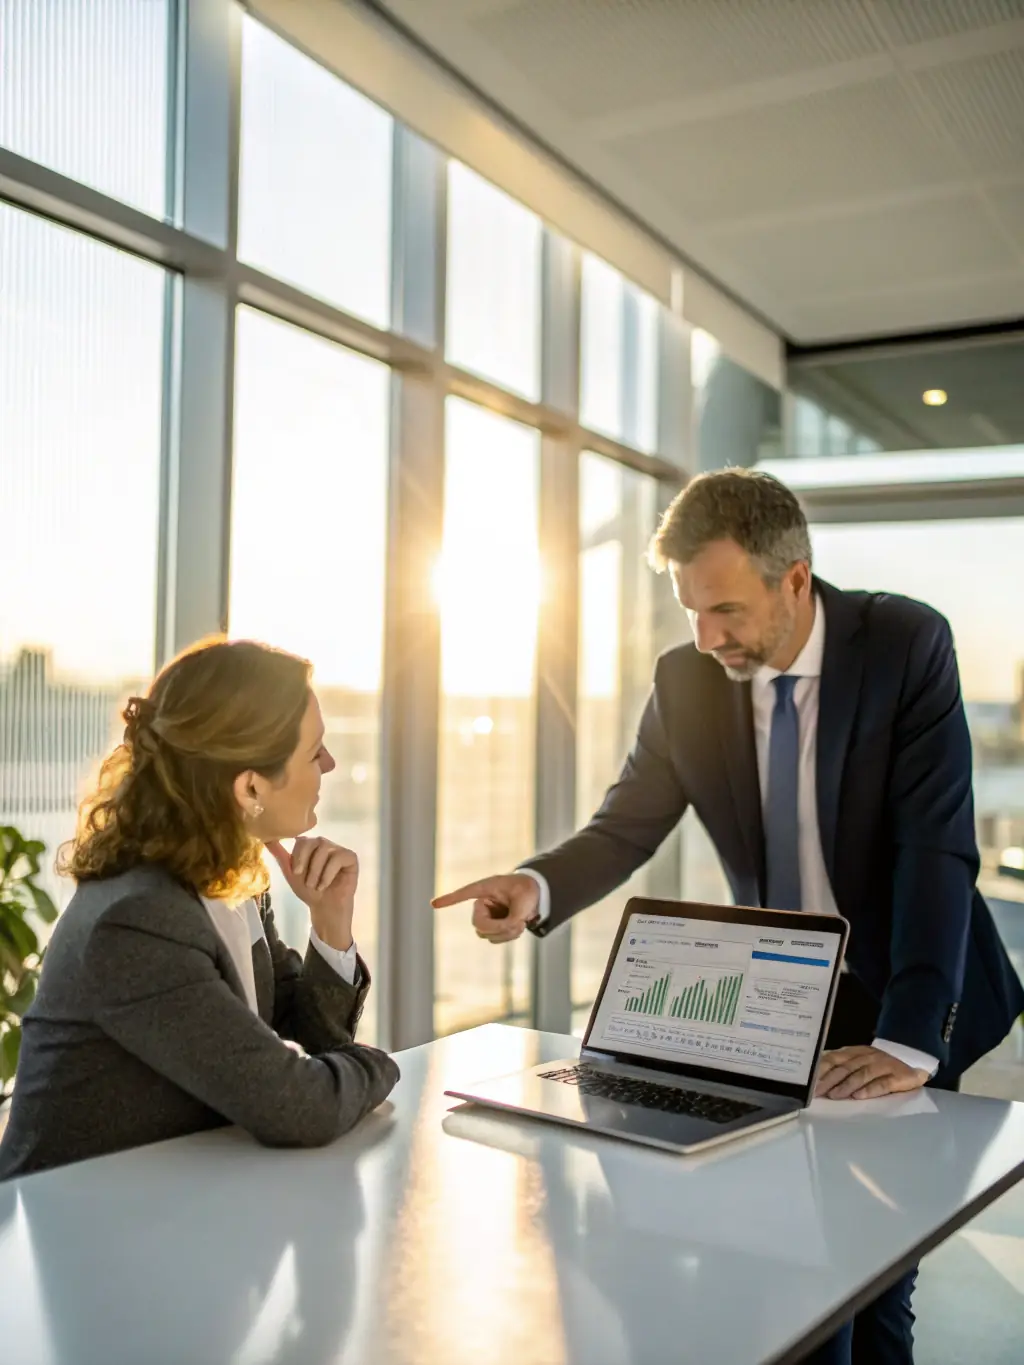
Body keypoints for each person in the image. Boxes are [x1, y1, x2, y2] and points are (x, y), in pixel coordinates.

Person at [433, 468, 1024, 1365]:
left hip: (907, 984)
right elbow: (627, 822)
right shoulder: (687, 680)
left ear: (795, 577)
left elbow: (935, 852)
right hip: (782, 996)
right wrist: (535, 884)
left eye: (726, 611)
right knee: (804, 1261)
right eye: (690, 612)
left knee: (875, 1269)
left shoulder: (905, 643)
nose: (707, 638)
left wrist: (909, 1042)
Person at [0, 639, 398, 1182]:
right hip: (77, 1236)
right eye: (313, 752)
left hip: (176, 1212)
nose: (329, 763)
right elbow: (298, 1103)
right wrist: (385, 1064)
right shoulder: (137, 920)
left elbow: (301, 1046)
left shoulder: (227, 879)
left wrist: (330, 924)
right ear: (251, 785)